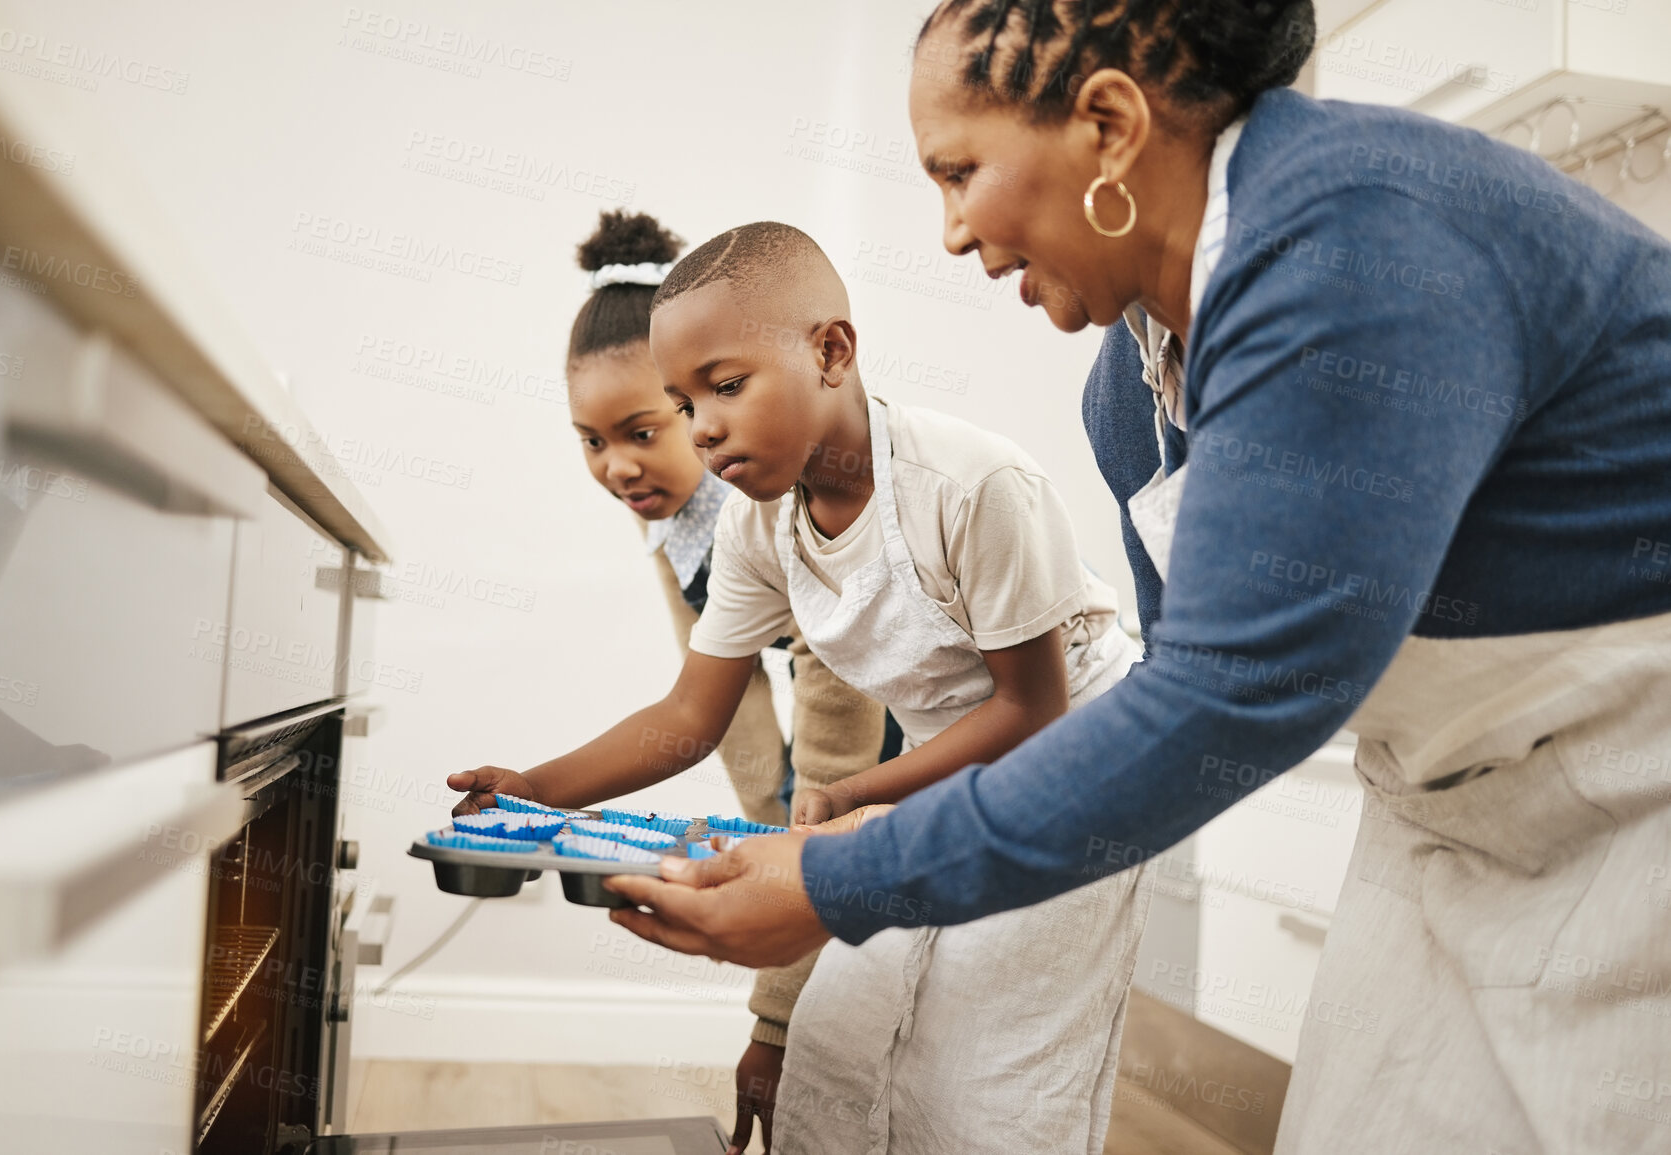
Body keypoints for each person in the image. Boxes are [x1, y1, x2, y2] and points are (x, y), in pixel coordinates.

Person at [603, 3, 1671, 1153]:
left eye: (960, 172)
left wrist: (840, 878)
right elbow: (1189, 687)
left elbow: (1213, 706)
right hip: (1452, 813)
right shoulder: (1131, 391)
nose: (953, 230)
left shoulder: (1347, 248)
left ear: (1108, 128)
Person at [453, 220, 1147, 1155]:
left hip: (1072, 762)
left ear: (830, 351)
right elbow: (690, 717)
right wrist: (538, 788)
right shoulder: (753, 530)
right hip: (938, 759)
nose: (703, 428)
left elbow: (1030, 710)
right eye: (683, 402)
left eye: (726, 388)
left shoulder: (972, 486)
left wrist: (857, 793)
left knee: (988, 1069)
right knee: (838, 1035)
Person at [486, 208, 893, 1149]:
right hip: (849, 775)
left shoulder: (775, 497)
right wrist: (756, 831)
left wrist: (791, 868)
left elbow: (839, 704)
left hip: (908, 750)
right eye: (590, 441)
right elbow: (716, 701)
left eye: (638, 430)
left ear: (692, 404)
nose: (617, 467)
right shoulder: (671, 517)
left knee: (877, 1019)